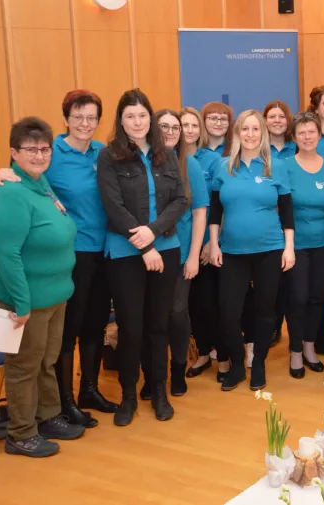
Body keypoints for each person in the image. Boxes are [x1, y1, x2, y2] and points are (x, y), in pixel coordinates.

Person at [0, 90, 118, 428]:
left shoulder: (102, 153)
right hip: (69, 257)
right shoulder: (52, 153)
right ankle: (64, 401)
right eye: (78, 116)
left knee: (93, 325)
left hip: (101, 252)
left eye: (92, 117)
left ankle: (87, 390)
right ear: (66, 119)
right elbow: (22, 173)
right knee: (64, 335)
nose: (85, 123)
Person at [0, 117, 84, 457]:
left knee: (46, 360)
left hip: (54, 296)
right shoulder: (9, 193)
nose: (40, 156)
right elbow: (5, 254)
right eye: (31, 149)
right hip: (22, 303)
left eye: (44, 149)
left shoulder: (40, 186)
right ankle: (20, 433)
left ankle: (47, 416)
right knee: (23, 366)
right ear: (14, 152)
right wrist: (21, 304)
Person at [97, 89, 188, 425]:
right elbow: (113, 206)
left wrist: (154, 232)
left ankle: (159, 393)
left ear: (150, 118)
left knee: (158, 326)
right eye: (130, 116)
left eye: (142, 115)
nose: (137, 122)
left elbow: (180, 200)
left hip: (166, 247)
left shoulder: (165, 153)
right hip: (125, 252)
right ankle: (128, 397)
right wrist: (145, 245)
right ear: (121, 121)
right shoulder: (110, 156)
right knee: (131, 328)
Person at [208, 110, 295, 391]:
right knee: (229, 312)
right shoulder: (223, 167)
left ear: (263, 133)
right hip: (232, 251)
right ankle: (236, 364)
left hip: (270, 249)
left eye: (255, 129)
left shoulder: (276, 166)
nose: (250, 134)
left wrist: (289, 248)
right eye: (245, 129)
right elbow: (214, 210)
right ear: (237, 133)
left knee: (264, 310)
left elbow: (288, 212)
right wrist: (213, 243)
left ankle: (258, 363)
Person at [139, 109, 208, 398]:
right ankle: (152, 376)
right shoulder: (140, 162)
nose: (170, 132)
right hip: (146, 253)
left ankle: (178, 369)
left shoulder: (187, 163)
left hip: (180, 256)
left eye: (175, 128)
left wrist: (194, 256)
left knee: (176, 314)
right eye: (164, 126)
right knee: (148, 317)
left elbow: (200, 211)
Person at [284, 112, 324, 378]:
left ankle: (310, 347)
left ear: (319, 135)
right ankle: (295, 350)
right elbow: (281, 209)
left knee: (318, 297)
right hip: (295, 243)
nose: (307, 137)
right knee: (297, 298)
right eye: (301, 133)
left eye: (312, 132)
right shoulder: (284, 166)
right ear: (294, 137)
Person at [185, 107, 231, 381]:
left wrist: (210, 242)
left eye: (193, 126)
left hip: (207, 246)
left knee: (214, 304)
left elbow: (220, 204)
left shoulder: (213, 159)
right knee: (192, 306)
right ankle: (203, 352)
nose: (189, 130)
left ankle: (223, 357)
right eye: (184, 125)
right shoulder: (166, 159)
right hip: (180, 245)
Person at [264, 100, 296, 347]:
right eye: (272, 116)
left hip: (292, 222)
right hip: (266, 226)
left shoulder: (297, 148)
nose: (277, 120)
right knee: (269, 284)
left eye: (281, 116)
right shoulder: (258, 149)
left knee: (289, 284)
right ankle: (271, 327)